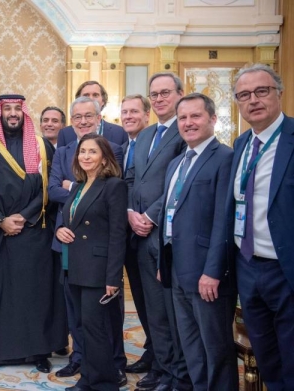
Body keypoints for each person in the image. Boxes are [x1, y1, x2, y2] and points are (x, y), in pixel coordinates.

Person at [0, 94, 66, 372]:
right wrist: (1, 221)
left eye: (18, 109)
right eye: (8, 110)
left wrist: (24, 216)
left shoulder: (41, 147)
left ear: (24, 113)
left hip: (33, 233)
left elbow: (48, 190)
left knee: (35, 295)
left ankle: (38, 351)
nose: (13, 114)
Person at [158, 93, 238, 391]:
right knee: (191, 347)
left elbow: (223, 220)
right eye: (182, 118)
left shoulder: (226, 158)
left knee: (216, 351)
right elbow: (169, 214)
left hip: (208, 274)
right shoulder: (176, 162)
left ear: (213, 119)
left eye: (196, 116)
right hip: (177, 269)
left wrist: (213, 271)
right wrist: (163, 263)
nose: (188, 123)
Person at [49, 97, 126, 386]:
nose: (86, 156)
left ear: (105, 157)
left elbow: (118, 235)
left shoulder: (114, 186)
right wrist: (59, 232)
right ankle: (91, 377)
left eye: (92, 152)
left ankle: (101, 381)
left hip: (97, 269)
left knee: (96, 329)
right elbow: (69, 219)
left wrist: (113, 278)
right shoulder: (80, 186)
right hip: (74, 264)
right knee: (82, 326)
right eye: (83, 152)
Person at [227, 64, 294, 390]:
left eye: (261, 91)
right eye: (244, 95)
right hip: (248, 267)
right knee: (266, 356)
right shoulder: (241, 145)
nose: (253, 100)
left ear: (279, 93)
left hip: (286, 269)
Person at [125, 72, 190, 391]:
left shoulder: (186, 130)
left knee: (168, 310)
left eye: (166, 93)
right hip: (137, 232)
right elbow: (132, 178)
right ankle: (161, 366)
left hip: (165, 234)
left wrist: (150, 215)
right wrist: (130, 213)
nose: (160, 98)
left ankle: (174, 371)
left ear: (180, 94)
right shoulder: (146, 135)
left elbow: (180, 182)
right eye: (155, 94)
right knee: (149, 308)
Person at [120, 94, 156, 374]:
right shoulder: (123, 147)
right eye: (124, 112)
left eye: (134, 111)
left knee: (157, 303)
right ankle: (151, 351)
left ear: (147, 114)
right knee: (143, 302)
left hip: (150, 233)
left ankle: (159, 357)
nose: (128, 116)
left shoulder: (155, 144)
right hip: (127, 236)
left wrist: (142, 216)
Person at [57, 81, 128, 148]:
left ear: (103, 100)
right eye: (86, 95)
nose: (91, 98)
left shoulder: (120, 133)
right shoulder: (65, 134)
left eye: (95, 95)